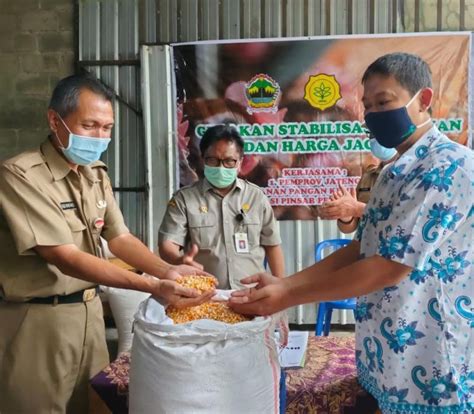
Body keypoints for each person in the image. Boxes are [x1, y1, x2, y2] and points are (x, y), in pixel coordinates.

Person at [229, 53, 473, 413]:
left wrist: (288, 297)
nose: (374, 114)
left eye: (384, 102)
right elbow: (365, 247)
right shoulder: (394, 171)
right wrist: (285, 285)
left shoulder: (446, 167)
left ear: (423, 100)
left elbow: (388, 266)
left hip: (433, 354)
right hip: (389, 349)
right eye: (369, 105)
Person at [0, 74, 213, 414]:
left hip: (90, 314)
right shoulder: (21, 175)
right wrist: (152, 285)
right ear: (55, 121)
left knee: (94, 405)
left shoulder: (94, 173)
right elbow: (64, 256)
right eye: (90, 125)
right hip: (37, 321)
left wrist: (169, 269)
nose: (100, 137)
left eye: (107, 127)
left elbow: (119, 236)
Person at [159, 124, 285, 289]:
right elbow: (167, 244)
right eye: (213, 160)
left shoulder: (256, 197)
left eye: (229, 161)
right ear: (203, 160)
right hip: (203, 295)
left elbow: (272, 246)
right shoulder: (184, 199)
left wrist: (281, 290)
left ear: (240, 162)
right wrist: (178, 260)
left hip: (251, 294)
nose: (221, 167)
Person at [318, 138, 397, 233]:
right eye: (370, 135)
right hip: (367, 244)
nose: (374, 138)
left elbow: (401, 217)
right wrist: (346, 217)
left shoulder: (412, 174)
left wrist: (357, 209)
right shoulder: (367, 176)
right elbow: (348, 228)